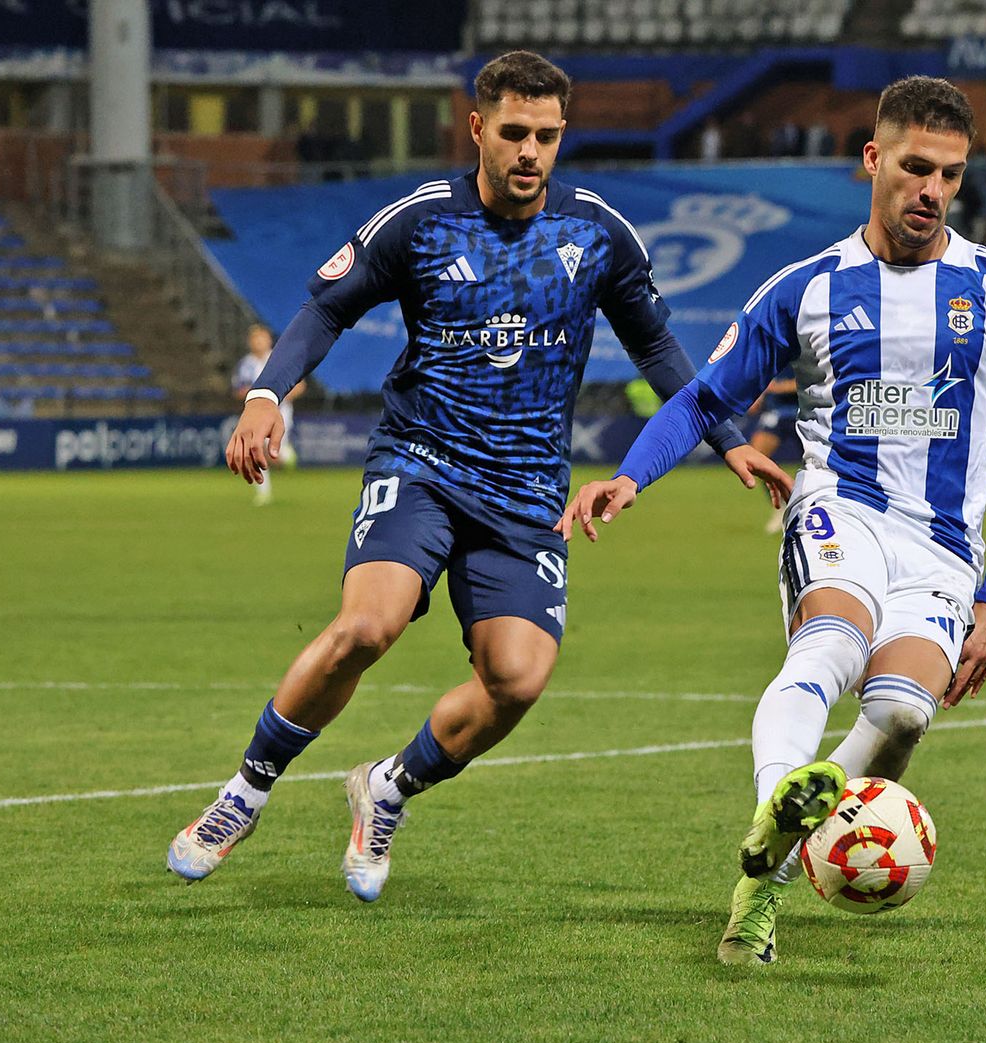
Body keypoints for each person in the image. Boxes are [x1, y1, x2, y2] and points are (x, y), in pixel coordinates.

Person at [166, 51, 790, 900]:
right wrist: (268, 392)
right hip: (421, 460)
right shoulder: (420, 221)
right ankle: (243, 795)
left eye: (547, 136)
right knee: (367, 626)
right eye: (514, 133)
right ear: (477, 129)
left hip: (529, 489)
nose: (531, 151)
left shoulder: (597, 231)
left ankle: (387, 787)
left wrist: (726, 438)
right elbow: (326, 306)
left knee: (519, 678)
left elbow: (655, 346)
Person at [558, 76, 986, 966]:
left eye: (949, 174)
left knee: (901, 716)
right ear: (873, 160)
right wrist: (632, 476)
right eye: (914, 168)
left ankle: (762, 875)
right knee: (828, 647)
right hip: (838, 508)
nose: (931, 190)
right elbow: (707, 397)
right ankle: (776, 799)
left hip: (943, 547)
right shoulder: (809, 287)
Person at [232, 323, 304, 506]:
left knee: (275, 452)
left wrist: (277, 396)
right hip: (257, 413)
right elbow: (238, 389)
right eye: (255, 338)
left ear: (269, 339)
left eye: (262, 337)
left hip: (281, 411)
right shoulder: (246, 364)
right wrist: (254, 396)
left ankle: (286, 454)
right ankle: (263, 492)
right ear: (250, 342)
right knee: (258, 448)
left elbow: (300, 385)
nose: (258, 342)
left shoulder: (278, 358)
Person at [747, 368, 800, 533]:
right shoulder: (776, 345)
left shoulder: (811, 345)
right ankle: (782, 507)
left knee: (820, 463)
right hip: (776, 411)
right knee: (756, 459)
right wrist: (757, 395)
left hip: (806, 412)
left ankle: (819, 509)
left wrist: (779, 387)